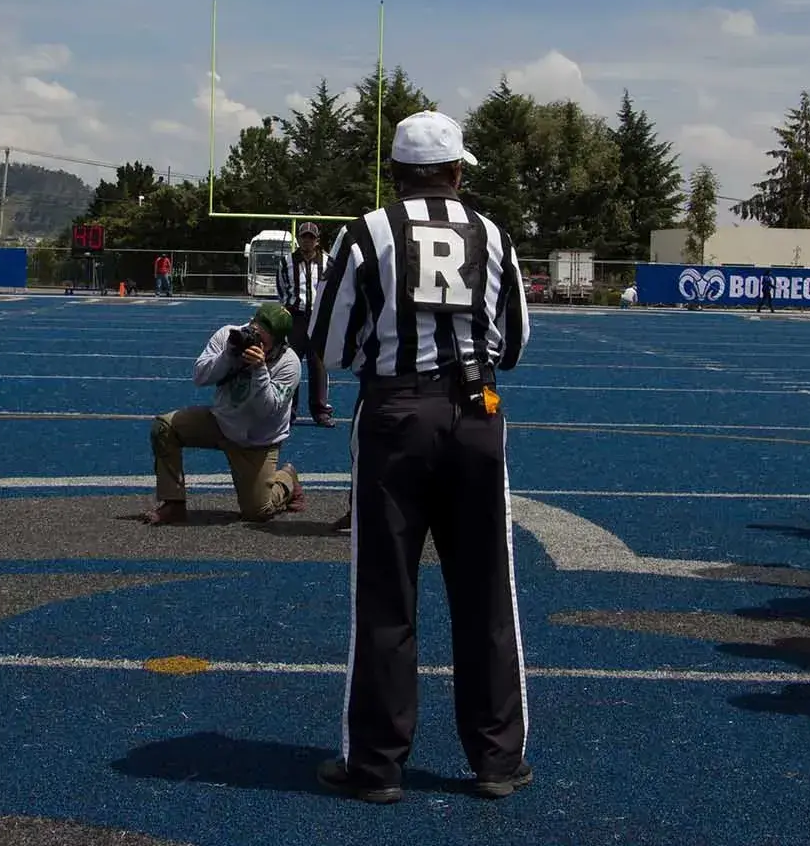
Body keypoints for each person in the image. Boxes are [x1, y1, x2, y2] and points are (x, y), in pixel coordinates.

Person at [309, 109, 533, 804]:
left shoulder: (367, 231)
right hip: (475, 414)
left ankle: (376, 765)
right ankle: (496, 760)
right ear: (459, 171)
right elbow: (516, 342)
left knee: (385, 594)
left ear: (395, 174)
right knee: (487, 593)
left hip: (396, 416)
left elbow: (331, 342)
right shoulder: (492, 234)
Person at [143, 303, 305, 526]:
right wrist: (228, 355)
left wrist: (260, 370)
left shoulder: (289, 363)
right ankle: (173, 503)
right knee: (164, 427)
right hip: (220, 422)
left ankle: (287, 479)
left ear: (279, 341)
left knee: (257, 512)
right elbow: (200, 377)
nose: (255, 342)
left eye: (263, 341)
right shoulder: (229, 335)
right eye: (254, 332)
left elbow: (267, 410)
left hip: (257, 441)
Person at [277, 221, 333, 427]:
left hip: (318, 319)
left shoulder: (328, 261)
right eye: (304, 237)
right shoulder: (286, 262)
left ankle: (320, 411)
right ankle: (289, 411)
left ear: (317, 240)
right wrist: (286, 310)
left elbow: (332, 290)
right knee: (291, 365)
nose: (307, 240)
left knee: (318, 365)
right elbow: (281, 288)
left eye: (311, 237)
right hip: (295, 319)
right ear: (299, 239)